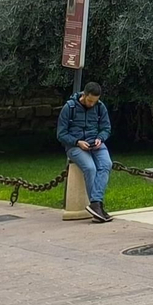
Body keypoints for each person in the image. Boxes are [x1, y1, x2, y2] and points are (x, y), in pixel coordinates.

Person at [56, 82, 113, 223]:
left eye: (95, 101)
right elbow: (61, 134)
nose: (92, 104)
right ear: (84, 95)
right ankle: (97, 206)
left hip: (95, 143)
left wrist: (101, 138)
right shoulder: (69, 108)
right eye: (90, 101)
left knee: (106, 164)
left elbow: (106, 128)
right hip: (75, 146)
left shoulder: (100, 107)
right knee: (90, 168)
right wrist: (77, 142)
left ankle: (95, 203)